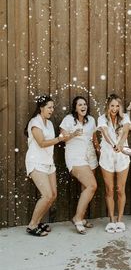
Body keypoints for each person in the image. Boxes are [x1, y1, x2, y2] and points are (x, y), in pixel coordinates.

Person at [25, 95, 68, 237]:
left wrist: (66, 136)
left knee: (53, 195)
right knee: (47, 195)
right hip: (36, 161)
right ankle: (32, 225)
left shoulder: (49, 123)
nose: (52, 110)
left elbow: (51, 142)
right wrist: (60, 139)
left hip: (48, 162)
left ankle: (37, 222)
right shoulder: (34, 122)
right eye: (49, 107)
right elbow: (42, 143)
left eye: (53, 107)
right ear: (41, 108)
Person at [60, 96, 100, 234]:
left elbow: (94, 139)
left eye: (85, 104)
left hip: (90, 156)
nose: (83, 106)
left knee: (86, 188)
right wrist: (73, 134)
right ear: (75, 107)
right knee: (92, 185)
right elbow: (62, 137)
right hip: (75, 157)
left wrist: (100, 153)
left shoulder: (91, 120)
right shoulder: (68, 119)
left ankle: (81, 217)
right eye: (80, 105)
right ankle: (77, 218)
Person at [97, 94, 131, 233]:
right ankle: (111, 220)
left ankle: (120, 220)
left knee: (120, 189)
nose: (115, 108)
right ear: (107, 106)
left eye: (117, 106)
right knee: (109, 190)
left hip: (122, 157)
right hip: (107, 156)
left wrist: (121, 144)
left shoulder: (125, 118)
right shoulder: (101, 118)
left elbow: (126, 132)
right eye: (112, 105)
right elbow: (105, 133)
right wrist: (113, 145)